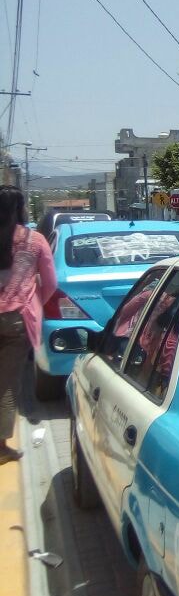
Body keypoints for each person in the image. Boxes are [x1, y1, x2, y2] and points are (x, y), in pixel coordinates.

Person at [0, 186, 57, 463]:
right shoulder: (34, 241)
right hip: (17, 319)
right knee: (7, 386)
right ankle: (1, 447)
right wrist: (35, 302)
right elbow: (50, 284)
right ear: (21, 209)